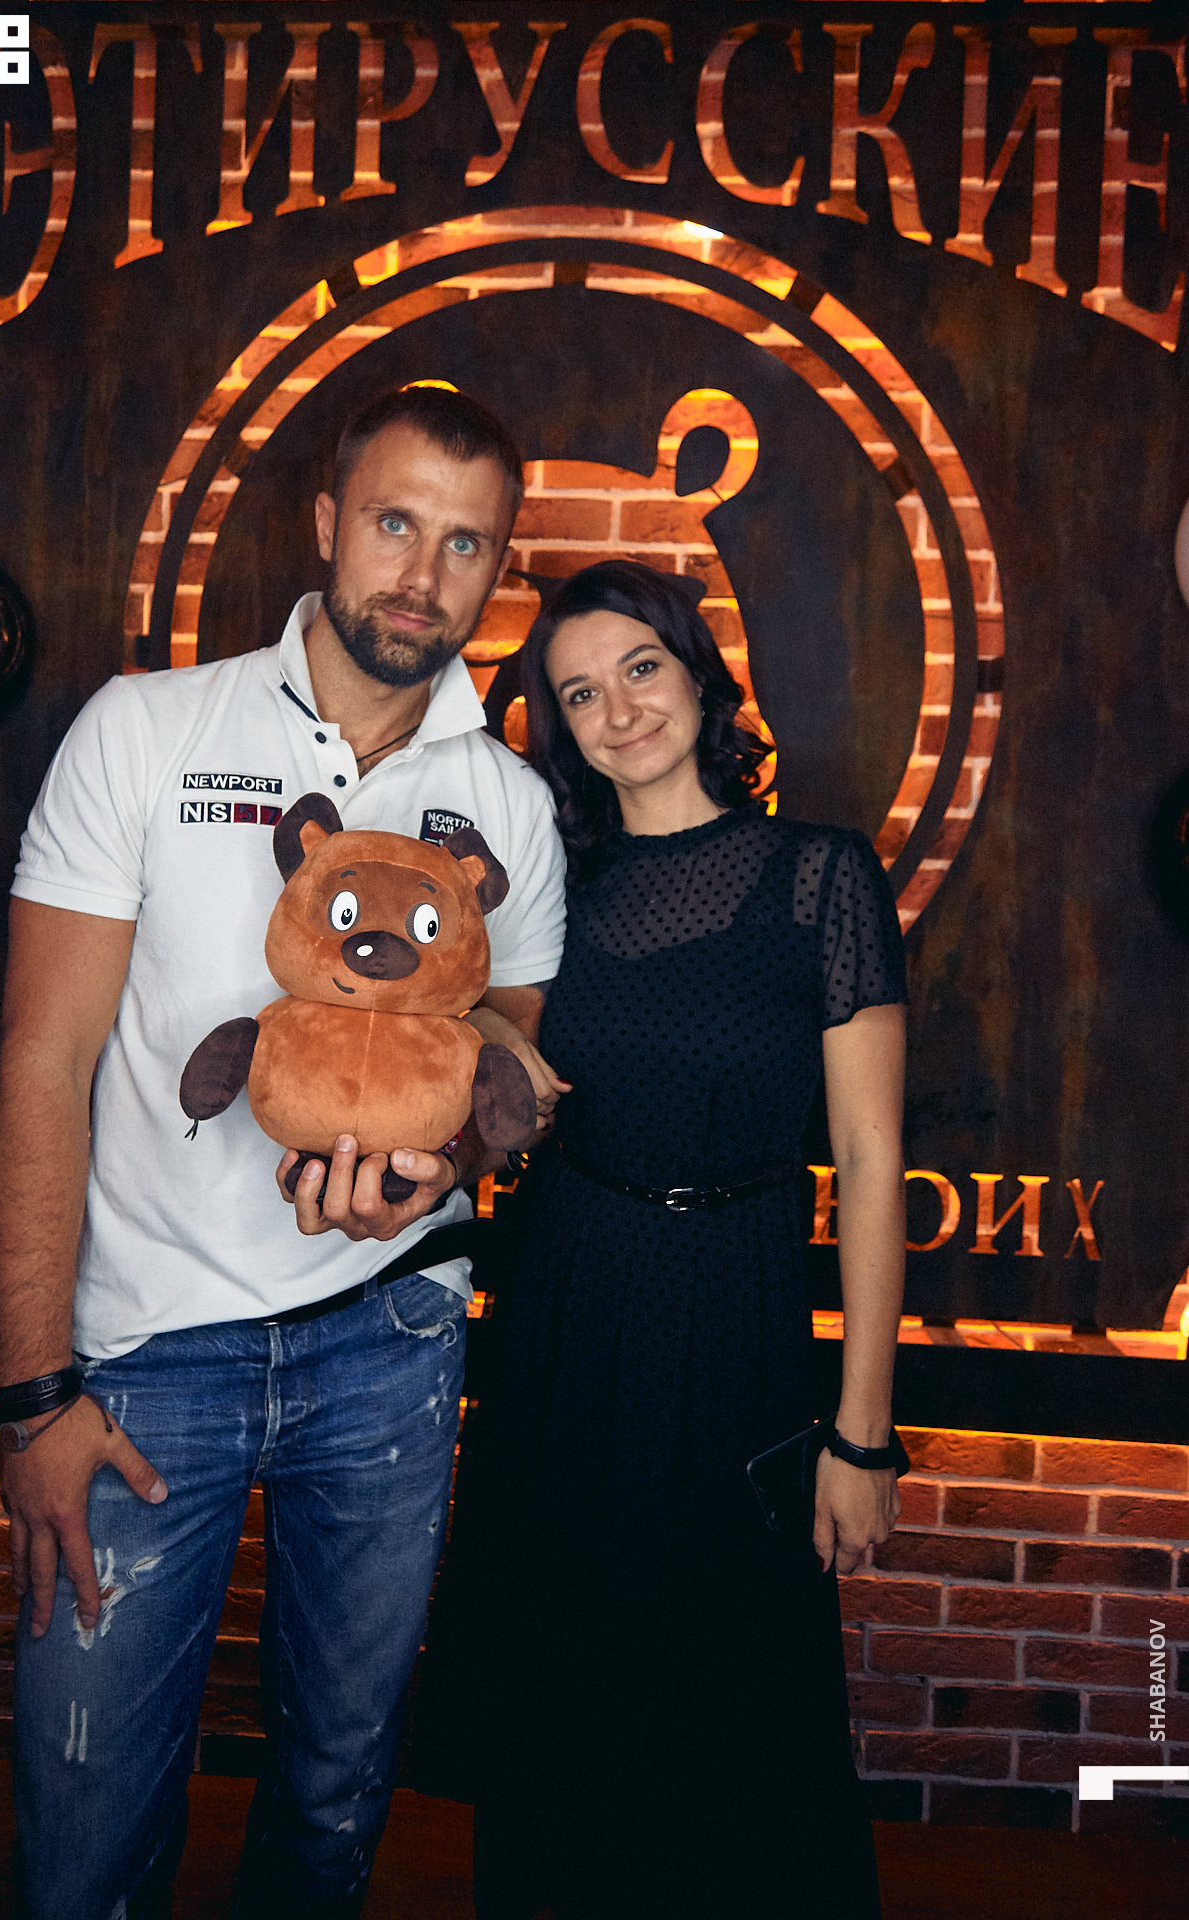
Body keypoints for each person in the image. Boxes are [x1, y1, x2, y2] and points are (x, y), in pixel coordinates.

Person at [0, 386, 566, 1919]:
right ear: (325, 524)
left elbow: (504, 1050)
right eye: (395, 523)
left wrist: (443, 1167)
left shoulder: (508, 802)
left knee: (331, 1802)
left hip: (390, 1349)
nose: (422, 575)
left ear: (498, 568)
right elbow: (42, 1060)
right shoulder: (148, 727)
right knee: (86, 1828)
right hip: (143, 1349)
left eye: (465, 544)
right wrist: (33, 1393)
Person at [460, 559, 907, 1919]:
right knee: (565, 1684)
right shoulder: (558, 889)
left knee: (734, 1706)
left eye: (640, 668)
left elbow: (871, 1166)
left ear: (701, 675)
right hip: (570, 1312)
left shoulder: (820, 876)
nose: (618, 709)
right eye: (579, 693)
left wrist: (863, 1437)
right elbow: (492, 1060)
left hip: (736, 1316)